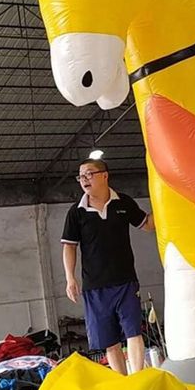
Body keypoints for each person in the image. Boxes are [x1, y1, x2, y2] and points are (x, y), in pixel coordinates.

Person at [62, 159, 155, 374]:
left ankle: (137, 378)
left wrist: (166, 202)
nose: (84, 180)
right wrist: (70, 278)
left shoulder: (123, 203)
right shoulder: (76, 212)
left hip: (126, 281)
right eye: (80, 176)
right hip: (95, 287)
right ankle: (122, 384)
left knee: (134, 333)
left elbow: (148, 224)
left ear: (104, 175)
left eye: (89, 174)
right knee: (109, 341)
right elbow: (69, 247)